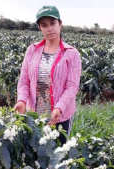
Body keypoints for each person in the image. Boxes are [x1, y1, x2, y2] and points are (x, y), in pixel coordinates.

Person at [14, 5, 81, 144]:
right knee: (35, 155)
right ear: (40, 28)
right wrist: (21, 100)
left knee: (58, 153)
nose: (49, 28)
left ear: (60, 24)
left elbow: (72, 87)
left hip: (60, 116)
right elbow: (24, 80)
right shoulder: (31, 50)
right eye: (44, 25)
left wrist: (59, 108)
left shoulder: (72, 53)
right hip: (34, 116)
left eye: (52, 23)